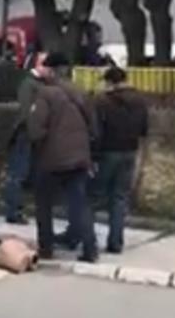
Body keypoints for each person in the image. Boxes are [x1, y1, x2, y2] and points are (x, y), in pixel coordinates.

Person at [28, 53, 99, 263]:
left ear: (50, 70)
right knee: (79, 203)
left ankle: (46, 247)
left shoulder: (45, 94)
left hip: (52, 159)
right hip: (79, 157)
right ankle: (89, 248)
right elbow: (93, 126)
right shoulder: (80, 92)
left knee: (44, 203)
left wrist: (39, 148)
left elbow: (35, 129)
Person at [93, 67, 148, 253]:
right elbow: (144, 129)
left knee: (93, 196)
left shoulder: (103, 101)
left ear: (110, 82)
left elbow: (97, 131)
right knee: (119, 198)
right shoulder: (139, 100)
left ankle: (85, 238)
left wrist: (93, 155)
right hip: (130, 151)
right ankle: (116, 242)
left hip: (107, 153)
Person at [3, 58, 45, 224]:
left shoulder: (34, 84)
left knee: (22, 172)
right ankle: (13, 210)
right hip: (26, 134)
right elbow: (26, 112)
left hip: (29, 133)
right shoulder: (30, 84)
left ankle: (15, 207)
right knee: (18, 173)